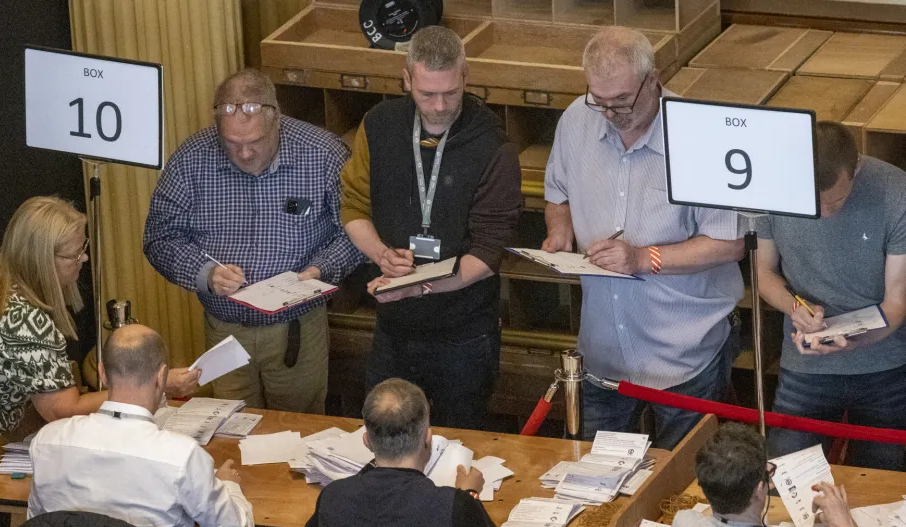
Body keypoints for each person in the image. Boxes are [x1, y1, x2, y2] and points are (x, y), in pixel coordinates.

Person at [0, 196, 199, 527]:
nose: (84, 259)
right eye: (74, 254)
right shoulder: (25, 320)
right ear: (43, 258)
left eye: (84, 248)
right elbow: (62, 408)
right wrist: (154, 384)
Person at [541, 26, 744, 448]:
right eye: (600, 100)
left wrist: (642, 258)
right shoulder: (578, 119)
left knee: (684, 489)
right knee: (592, 484)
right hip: (602, 352)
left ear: (654, 80)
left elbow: (728, 243)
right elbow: (557, 192)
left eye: (622, 101)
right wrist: (558, 233)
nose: (612, 113)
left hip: (684, 353)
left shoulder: (700, 136)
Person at [144, 68, 364, 414]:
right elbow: (159, 236)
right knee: (232, 427)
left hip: (297, 331)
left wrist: (320, 270)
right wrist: (205, 274)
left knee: (300, 428)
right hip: (225, 331)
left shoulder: (322, 154)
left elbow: (355, 230)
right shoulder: (191, 158)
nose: (244, 154)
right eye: (232, 144)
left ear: (277, 120)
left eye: (254, 143)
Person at [340, 25, 523, 429]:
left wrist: (418, 285)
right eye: (427, 93)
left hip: (464, 332)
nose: (440, 105)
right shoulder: (378, 126)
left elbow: (489, 251)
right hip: (394, 329)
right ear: (406, 79)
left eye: (451, 92)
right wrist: (382, 255)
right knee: (387, 438)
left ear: (466, 76)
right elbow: (353, 206)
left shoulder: (493, 143)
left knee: (460, 440)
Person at [27, 324, 255, 527]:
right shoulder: (182, 456)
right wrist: (230, 486)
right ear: (161, 376)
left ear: (102, 373)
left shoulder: (46, 441)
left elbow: (39, 526)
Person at [756, 121, 906, 470]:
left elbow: (897, 301)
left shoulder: (895, 191)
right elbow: (763, 271)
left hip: (884, 366)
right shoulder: (771, 186)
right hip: (805, 363)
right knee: (786, 478)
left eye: (835, 200)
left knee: (879, 484)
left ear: (857, 168)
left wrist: (855, 340)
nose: (823, 213)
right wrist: (796, 308)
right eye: (811, 203)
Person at [304, 378, 512, 527]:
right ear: (427, 439)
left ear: (367, 441)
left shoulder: (333, 496)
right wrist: (471, 495)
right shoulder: (455, 507)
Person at [669, 423, 877, 527]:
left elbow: (719, 501)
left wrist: (740, 483)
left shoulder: (683, 524)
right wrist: (846, 526)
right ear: (760, 489)